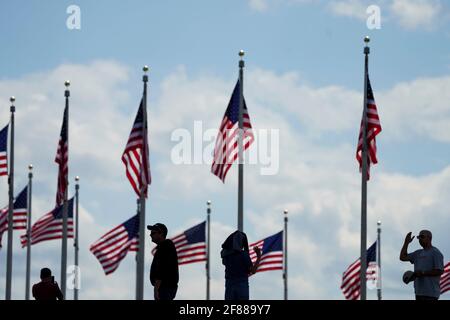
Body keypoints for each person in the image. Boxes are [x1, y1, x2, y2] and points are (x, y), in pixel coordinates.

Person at [399, 230, 444, 300]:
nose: (420, 239)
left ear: (430, 238)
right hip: (419, 293)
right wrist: (406, 242)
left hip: (431, 294)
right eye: (418, 237)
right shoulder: (417, 253)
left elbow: (440, 271)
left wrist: (423, 273)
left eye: (422, 237)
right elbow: (402, 257)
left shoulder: (435, 253)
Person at [221, 230, 262, 300]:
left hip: (229, 287)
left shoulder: (226, 255)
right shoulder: (243, 255)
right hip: (242, 287)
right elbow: (253, 270)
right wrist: (258, 256)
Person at [148, 223, 179, 300]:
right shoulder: (164, 246)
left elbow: (161, 269)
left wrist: (156, 289)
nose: (150, 235)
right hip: (166, 288)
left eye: (153, 233)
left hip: (165, 288)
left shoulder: (165, 246)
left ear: (161, 233)